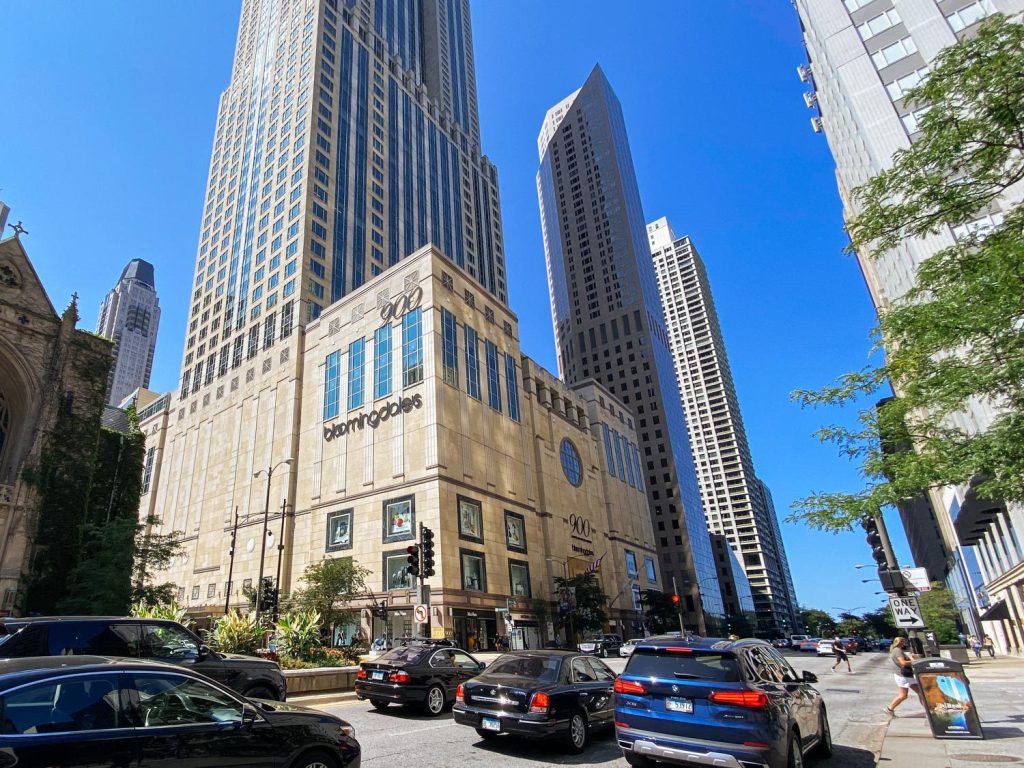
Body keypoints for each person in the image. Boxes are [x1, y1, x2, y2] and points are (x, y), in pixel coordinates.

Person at [886, 637, 921, 716]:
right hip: (903, 676)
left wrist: (911, 658)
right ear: (900, 642)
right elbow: (903, 663)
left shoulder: (896, 650)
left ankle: (889, 709)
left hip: (903, 675)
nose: (905, 644)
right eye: (904, 642)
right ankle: (929, 711)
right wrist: (914, 661)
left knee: (906, 695)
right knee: (917, 693)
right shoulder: (897, 650)